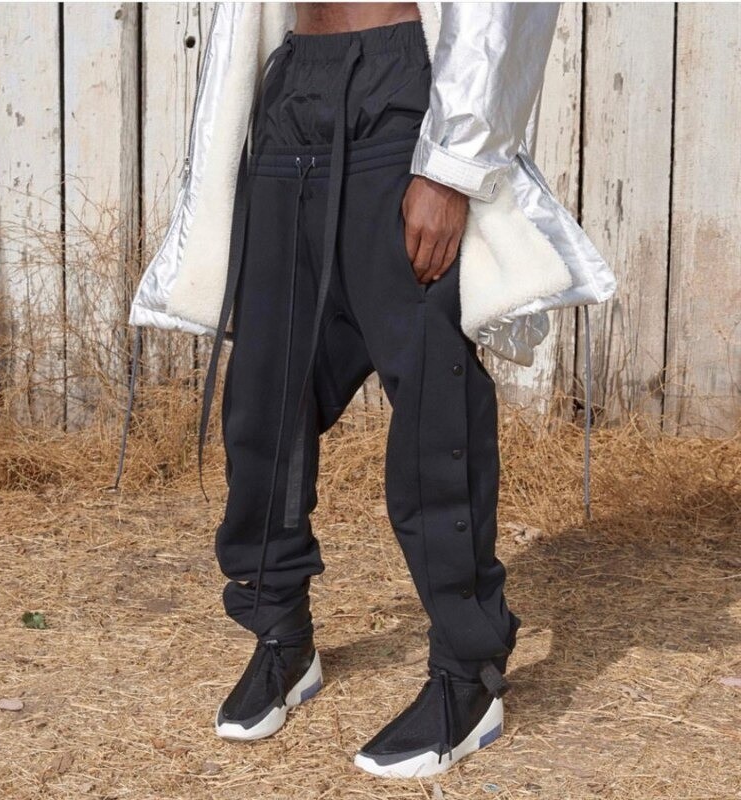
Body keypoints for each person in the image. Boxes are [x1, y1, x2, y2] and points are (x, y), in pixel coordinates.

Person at [121, 1, 616, 779]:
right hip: (293, 89)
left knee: (433, 407)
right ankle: (281, 634)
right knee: (265, 397)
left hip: (397, 91)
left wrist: (451, 167)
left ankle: (469, 675)